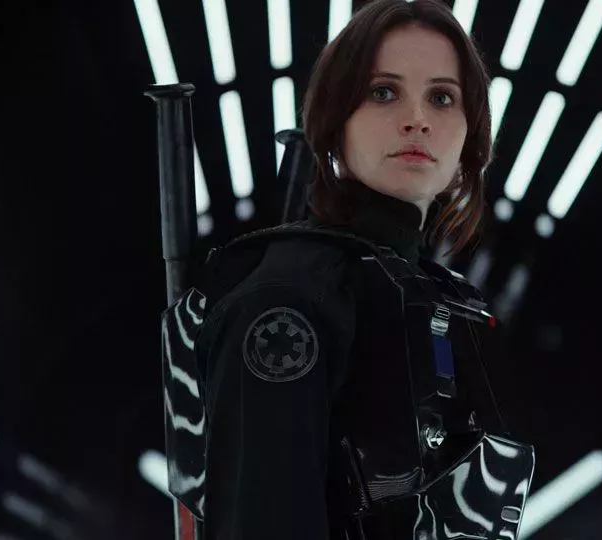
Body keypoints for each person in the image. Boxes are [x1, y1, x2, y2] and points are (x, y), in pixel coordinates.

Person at [193, 1, 534, 538]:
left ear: (470, 136)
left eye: (442, 97)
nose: (417, 119)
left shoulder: (438, 297)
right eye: (383, 92)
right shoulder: (289, 302)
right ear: (335, 121)